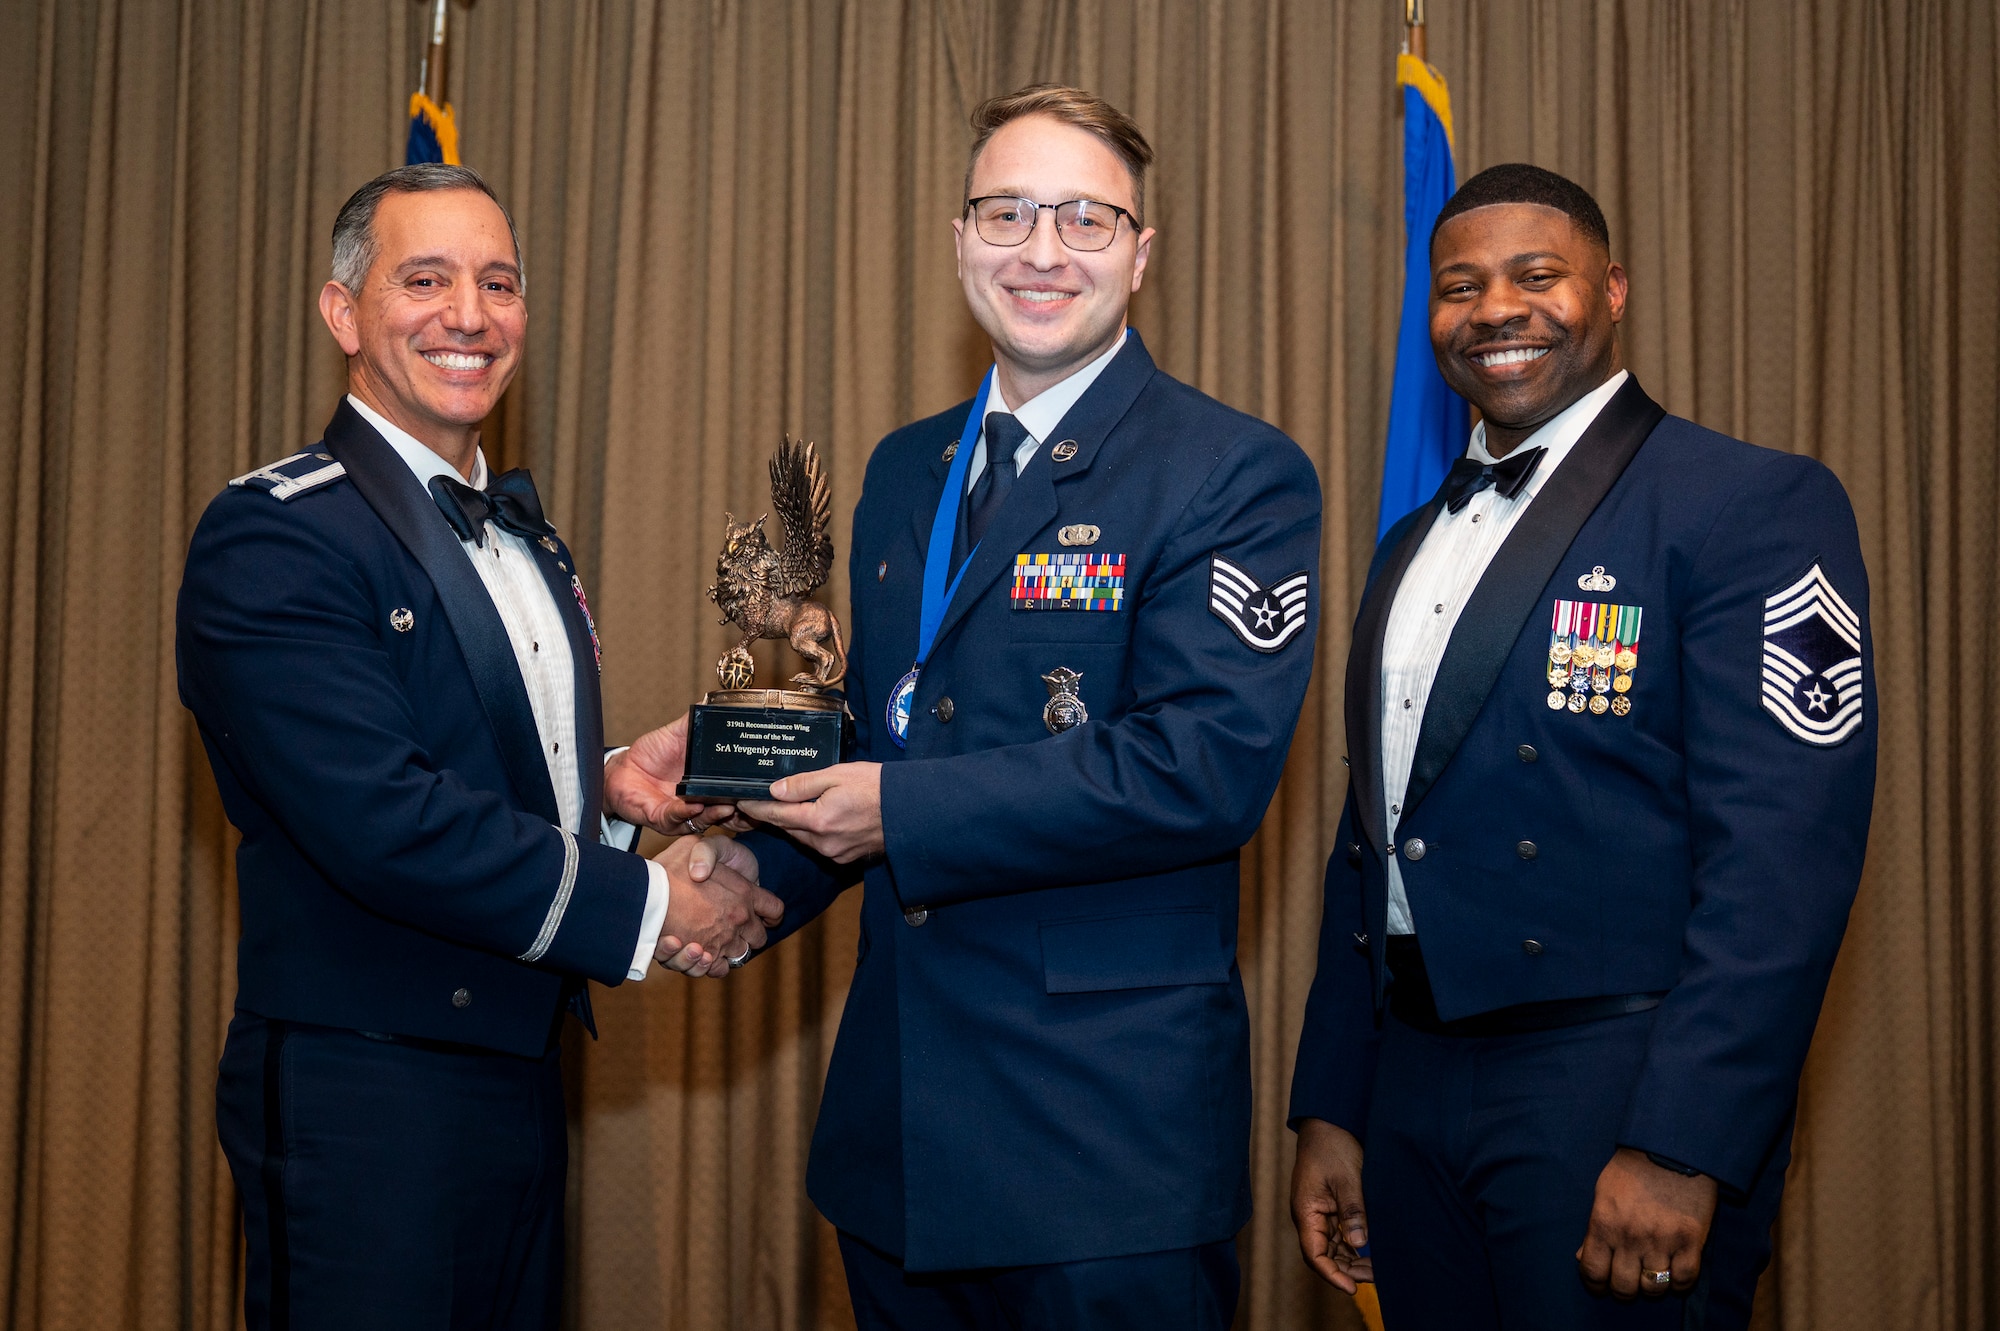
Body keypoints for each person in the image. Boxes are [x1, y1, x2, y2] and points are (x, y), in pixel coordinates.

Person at [720, 85, 1321, 1329]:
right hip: (896, 1133)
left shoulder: (1231, 471)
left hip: (1099, 1152)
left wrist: (888, 803)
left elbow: (1199, 766)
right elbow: (894, 734)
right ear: (957, 240)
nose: (1040, 252)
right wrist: (739, 853)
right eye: (1006, 213)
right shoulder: (903, 467)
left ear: (1140, 254)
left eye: (1084, 219)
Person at [176, 163, 779, 1331]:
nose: (469, 313)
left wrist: (607, 795)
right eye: (426, 278)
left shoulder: (526, 536)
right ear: (343, 311)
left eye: (497, 282)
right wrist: (653, 907)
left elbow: (464, 764)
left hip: (517, 1066)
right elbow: (383, 817)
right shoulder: (275, 534)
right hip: (366, 1086)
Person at [1287, 163, 1876, 1329]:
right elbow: (1373, 837)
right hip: (1409, 1082)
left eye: (1534, 275)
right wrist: (1334, 1104)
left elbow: (1781, 866)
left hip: (1610, 1087)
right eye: (1457, 287)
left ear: (1611, 290)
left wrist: (1680, 1141)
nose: (1494, 309)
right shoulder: (1408, 539)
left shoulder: (1749, 503)